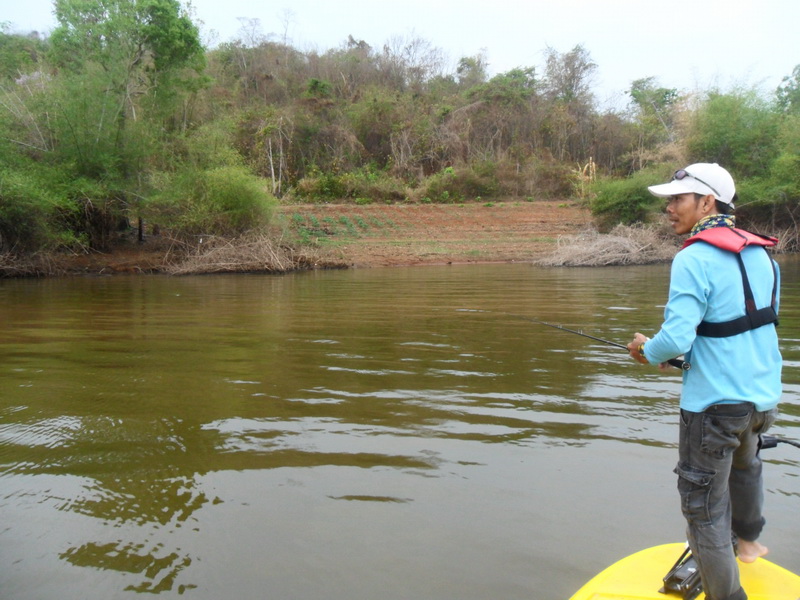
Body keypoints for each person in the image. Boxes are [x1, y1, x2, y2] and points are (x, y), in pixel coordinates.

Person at [625, 163, 782, 600]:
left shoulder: (693, 257)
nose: (669, 208)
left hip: (714, 407)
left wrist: (648, 350)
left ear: (707, 202)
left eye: (677, 199)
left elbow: (675, 336)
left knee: (705, 514)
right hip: (763, 399)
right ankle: (750, 543)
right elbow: (746, 326)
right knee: (747, 467)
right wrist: (681, 355)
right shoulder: (762, 255)